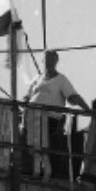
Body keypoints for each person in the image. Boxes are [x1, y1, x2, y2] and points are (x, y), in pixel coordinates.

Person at [30, 49, 83, 179]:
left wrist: (88, 109)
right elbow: (28, 96)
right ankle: (36, 172)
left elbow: (73, 97)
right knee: (35, 146)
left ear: (56, 61)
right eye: (47, 59)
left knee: (46, 146)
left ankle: (48, 173)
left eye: (52, 59)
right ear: (43, 61)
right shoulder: (38, 78)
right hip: (33, 117)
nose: (49, 62)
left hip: (50, 118)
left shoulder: (61, 79)